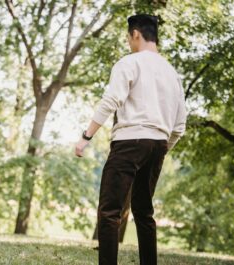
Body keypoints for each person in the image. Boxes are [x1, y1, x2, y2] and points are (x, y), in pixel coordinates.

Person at [75, 14, 187, 265]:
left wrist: (86, 136)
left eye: (128, 37)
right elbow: (179, 126)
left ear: (135, 34)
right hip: (158, 143)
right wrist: (161, 149)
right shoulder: (172, 74)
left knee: (109, 212)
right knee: (144, 212)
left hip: (129, 141)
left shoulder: (129, 63)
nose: (128, 42)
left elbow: (110, 101)